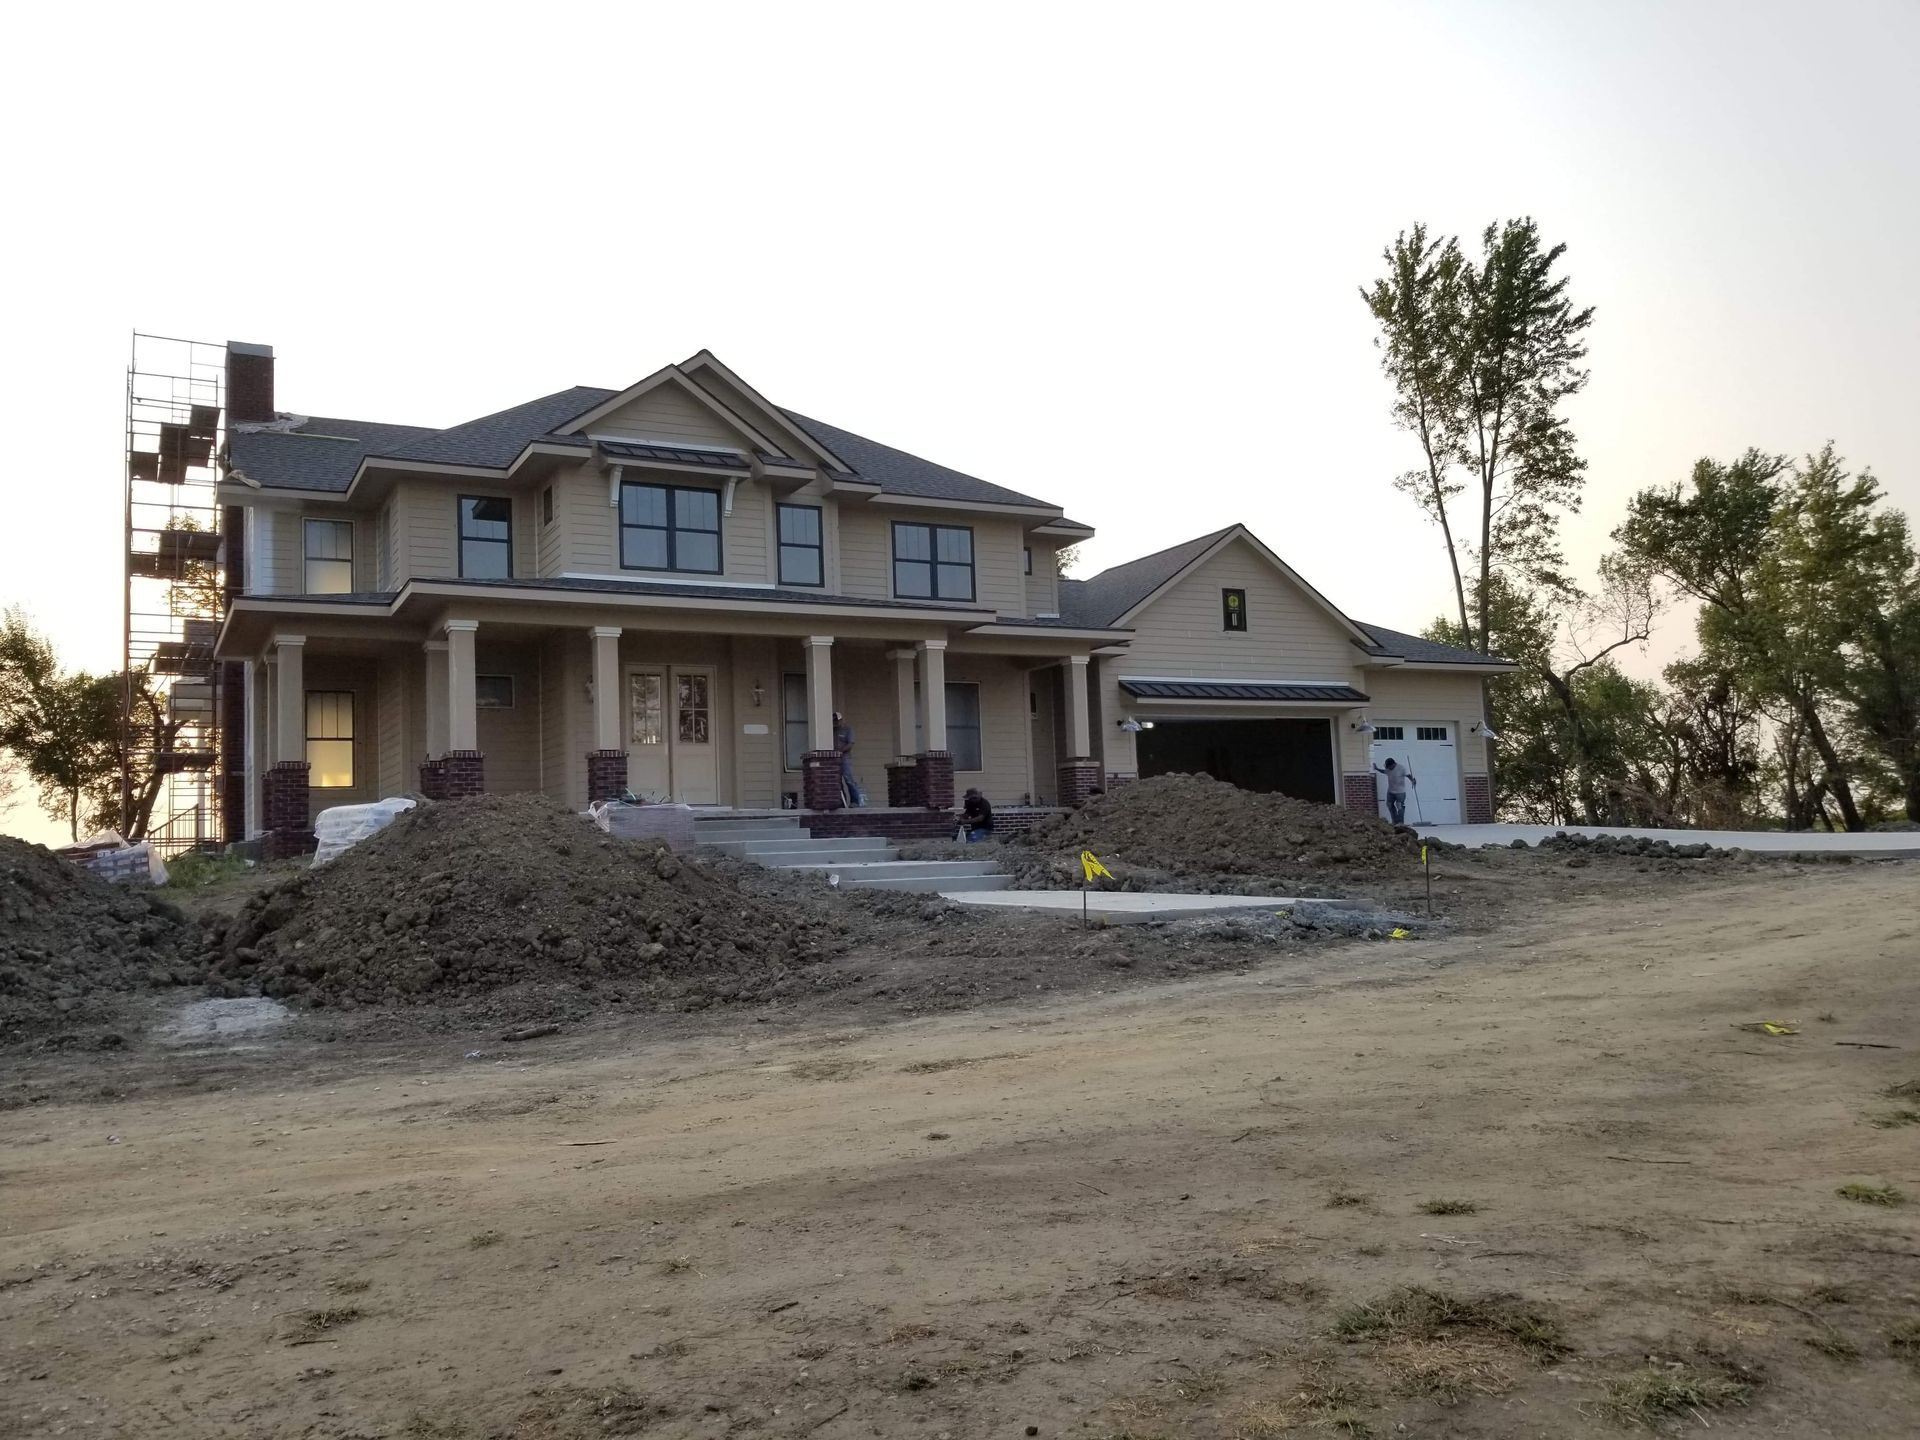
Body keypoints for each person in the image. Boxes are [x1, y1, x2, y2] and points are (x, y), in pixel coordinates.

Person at [832, 710, 864, 806]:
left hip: (845, 759)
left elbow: (850, 744)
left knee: (848, 779)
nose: (836, 723)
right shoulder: (832, 731)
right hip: (834, 759)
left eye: (837, 720)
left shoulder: (848, 729)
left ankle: (855, 801)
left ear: (841, 720)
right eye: (834, 721)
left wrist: (840, 751)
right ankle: (842, 802)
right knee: (837, 782)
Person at [1372, 756, 1416, 825]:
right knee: (1389, 805)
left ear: (1393, 764)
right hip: (1390, 791)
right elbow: (1384, 771)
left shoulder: (1401, 768)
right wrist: (1377, 769)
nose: (1389, 769)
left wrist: (1412, 780)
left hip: (1400, 792)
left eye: (1389, 767)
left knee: (1399, 806)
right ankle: (1395, 821)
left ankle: (1401, 822)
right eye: (1388, 767)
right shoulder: (1388, 769)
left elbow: (1408, 775)